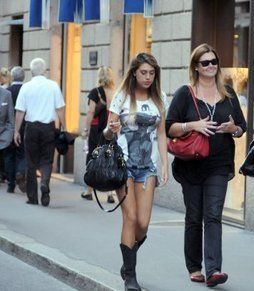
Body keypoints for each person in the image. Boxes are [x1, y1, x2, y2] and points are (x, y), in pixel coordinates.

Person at [165, 43, 247, 287]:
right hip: (191, 165)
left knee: (213, 215)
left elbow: (242, 127)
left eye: (214, 61)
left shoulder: (228, 94)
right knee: (194, 216)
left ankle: (213, 269)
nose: (211, 66)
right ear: (196, 67)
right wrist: (193, 125)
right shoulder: (185, 93)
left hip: (219, 165)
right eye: (205, 63)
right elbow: (169, 127)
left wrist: (234, 129)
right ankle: (194, 266)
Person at [104, 52, 169, 291]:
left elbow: (161, 133)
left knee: (142, 224)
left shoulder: (160, 97)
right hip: (124, 166)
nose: (148, 77)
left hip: (147, 168)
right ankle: (130, 275)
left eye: (152, 73)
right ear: (134, 73)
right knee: (130, 218)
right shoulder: (121, 96)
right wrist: (112, 130)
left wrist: (165, 163)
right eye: (143, 72)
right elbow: (107, 133)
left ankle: (127, 258)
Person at [14, 58, 66, 206]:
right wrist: (65, 127)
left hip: (31, 128)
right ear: (45, 71)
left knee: (31, 162)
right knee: (46, 160)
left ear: (31, 72)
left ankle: (32, 197)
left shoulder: (26, 87)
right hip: (48, 128)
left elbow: (20, 112)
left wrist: (16, 131)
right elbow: (60, 109)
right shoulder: (53, 86)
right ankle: (44, 183)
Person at [81, 66, 116, 203]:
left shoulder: (95, 92)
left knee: (93, 159)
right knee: (109, 160)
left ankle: (89, 191)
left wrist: (85, 129)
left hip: (97, 130)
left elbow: (91, 111)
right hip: (111, 130)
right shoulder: (115, 92)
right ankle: (110, 193)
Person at [4, 66, 27, 193]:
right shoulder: (27, 90)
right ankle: (20, 172)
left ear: (12, 77)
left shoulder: (6, 91)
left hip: (7, 128)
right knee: (22, 153)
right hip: (23, 126)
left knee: (8, 155)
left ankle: (10, 184)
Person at [0, 86, 14, 190]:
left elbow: (11, 118)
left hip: (3, 133)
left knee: (7, 157)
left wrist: (9, 135)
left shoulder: (7, 94)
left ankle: (10, 182)